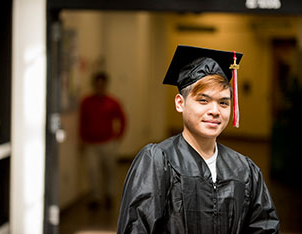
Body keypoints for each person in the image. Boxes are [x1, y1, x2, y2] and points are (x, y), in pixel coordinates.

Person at [117, 45, 279, 233]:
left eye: (223, 102)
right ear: (180, 103)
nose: (214, 111)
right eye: (203, 100)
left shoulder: (244, 169)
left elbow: (265, 228)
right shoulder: (158, 162)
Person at [79, 72, 126, 209]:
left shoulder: (112, 102)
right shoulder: (86, 102)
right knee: (93, 171)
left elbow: (122, 119)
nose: (99, 87)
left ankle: (109, 195)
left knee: (109, 170)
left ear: (105, 85)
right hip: (91, 143)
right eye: (97, 84)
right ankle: (95, 197)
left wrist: (119, 135)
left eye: (102, 84)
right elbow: (82, 122)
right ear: (94, 85)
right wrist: (82, 138)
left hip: (108, 142)